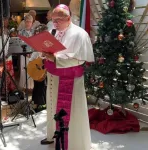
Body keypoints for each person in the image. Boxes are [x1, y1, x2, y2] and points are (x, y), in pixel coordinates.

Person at [41, 4, 94, 150]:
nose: (55, 23)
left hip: (69, 79)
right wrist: (44, 53)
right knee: (52, 107)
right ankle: (53, 135)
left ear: (68, 18)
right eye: (53, 20)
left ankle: (73, 144)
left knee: (71, 113)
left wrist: (55, 58)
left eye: (58, 20)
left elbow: (79, 58)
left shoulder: (79, 34)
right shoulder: (54, 31)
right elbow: (50, 49)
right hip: (53, 77)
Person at [0, 24, 15, 95]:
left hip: (7, 60)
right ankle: (0, 91)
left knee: (8, 76)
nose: (2, 30)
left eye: (3, 28)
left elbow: (11, 49)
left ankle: (9, 91)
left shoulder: (8, 37)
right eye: (0, 29)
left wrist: (5, 57)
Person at [29, 24, 48, 112]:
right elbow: (33, 56)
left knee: (43, 86)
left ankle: (41, 104)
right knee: (38, 86)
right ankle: (36, 104)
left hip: (45, 68)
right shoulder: (37, 43)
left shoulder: (47, 42)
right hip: (38, 67)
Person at [18, 14, 34, 90]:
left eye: (30, 22)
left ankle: (32, 87)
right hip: (24, 54)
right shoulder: (20, 32)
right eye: (27, 21)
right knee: (24, 70)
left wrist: (32, 53)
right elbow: (19, 44)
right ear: (24, 22)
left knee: (32, 70)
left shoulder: (35, 32)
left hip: (33, 55)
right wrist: (25, 53)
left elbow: (36, 44)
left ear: (32, 23)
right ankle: (24, 87)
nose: (28, 23)